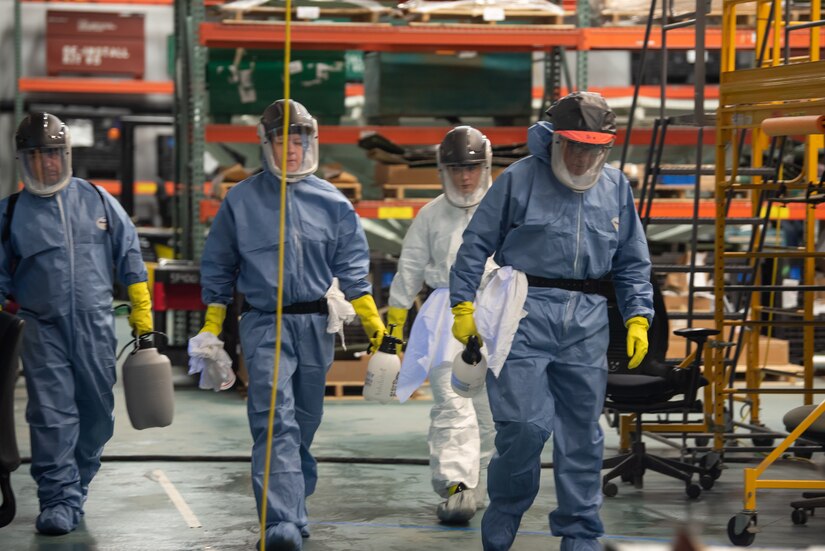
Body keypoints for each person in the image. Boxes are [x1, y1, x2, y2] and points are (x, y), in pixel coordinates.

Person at [449, 92, 654, 551]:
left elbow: (632, 261)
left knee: (582, 435)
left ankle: (580, 534)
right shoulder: (519, 179)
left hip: (587, 321)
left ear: (606, 147)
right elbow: (474, 245)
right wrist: (462, 307)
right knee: (524, 426)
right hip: (524, 313)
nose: (583, 159)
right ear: (554, 141)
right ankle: (505, 508)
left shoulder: (616, 187)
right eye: (574, 146)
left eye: (594, 149)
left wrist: (639, 315)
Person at [195, 99, 386, 550]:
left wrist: (377, 329)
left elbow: (355, 271)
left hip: (316, 326)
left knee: (304, 422)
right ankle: (279, 519)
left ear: (311, 143)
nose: (292, 150)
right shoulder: (240, 201)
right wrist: (211, 327)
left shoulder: (333, 202)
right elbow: (218, 268)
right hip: (264, 324)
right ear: (266, 145)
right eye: (283, 141)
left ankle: (294, 501)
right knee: (273, 420)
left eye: (299, 141)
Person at [0, 112, 153, 535]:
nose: (46, 164)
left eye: (53, 154)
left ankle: (78, 483)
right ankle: (57, 496)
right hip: (40, 329)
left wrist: (143, 321)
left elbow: (132, 262)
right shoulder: (11, 213)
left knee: (97, 415)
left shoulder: (100, 201)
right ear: (23, 160)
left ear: (66, 156)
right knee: (51, 415)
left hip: (97, 327)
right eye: (36, 155)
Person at [387, 126, 496, 524]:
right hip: (445, 313)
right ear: (442, 170)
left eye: (471, 168)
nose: (464, 177)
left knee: (490, 413)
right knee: (454, 405)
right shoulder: (431, 214)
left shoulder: (503, 209)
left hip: (495, 314)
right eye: (455, 169)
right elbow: (411, 265)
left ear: (485, 167)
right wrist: (395, 319)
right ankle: (457, 486)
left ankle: (481, 488)